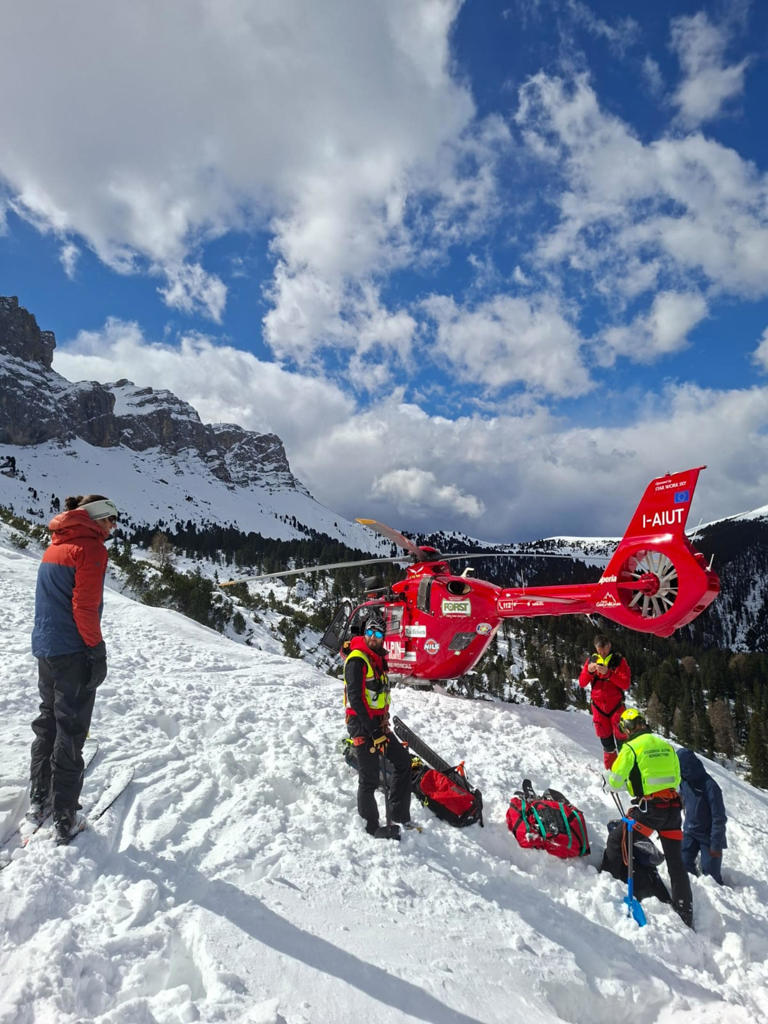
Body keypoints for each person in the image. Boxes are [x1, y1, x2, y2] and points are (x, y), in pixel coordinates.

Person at [29, 494, 118, 843]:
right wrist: (96, 651)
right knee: (71, 728)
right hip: (72, 651)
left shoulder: (56, 545)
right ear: (95, 517)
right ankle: (65, 815)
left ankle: (40, 795)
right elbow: (84, 608)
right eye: (110, 518)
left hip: (47, 648)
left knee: (47, 719)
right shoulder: (91, 550)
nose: (113, 526)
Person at [604, 708, 693, 927]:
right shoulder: (665, 745)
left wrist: (610, 781)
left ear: (626, 728)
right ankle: (685, 912)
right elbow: (676, 777)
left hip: (650, 810)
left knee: (618, 839)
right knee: (676, 863)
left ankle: (608, 881)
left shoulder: (631, 748)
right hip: (672, 808)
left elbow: (615, 781)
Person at [344, 614, 412, 836]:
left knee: (403, 762)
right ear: (365, 634)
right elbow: (356, 698)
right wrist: (373, 731)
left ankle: (400, 814)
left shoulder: (377, 659)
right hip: (362, 724)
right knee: (369, 777)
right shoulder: (357, 659)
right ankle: (370, 826)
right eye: (370, 633)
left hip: (378, 724)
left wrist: (381, 723)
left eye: (378, 634)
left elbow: (378, 695)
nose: (374, 638)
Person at [579, 634, 631, 768]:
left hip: (616, 707)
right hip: (599, 708)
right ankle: (612, 774)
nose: (602, 653)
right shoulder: (591, 660)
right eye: (599, 650)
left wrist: (609, 674)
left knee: (623, 742)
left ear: (609, 646)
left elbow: (625, 684)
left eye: (604, 650)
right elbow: (582, 683)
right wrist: (589, 671)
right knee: (607, 746)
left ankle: (628, 771)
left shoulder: (619, 660)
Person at [677, 748, 727, 885]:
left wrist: (716, 845)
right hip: (690, 832)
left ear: (688, 766)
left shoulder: (710, 786)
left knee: (712, 878)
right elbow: (682, 796)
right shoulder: (684, 780)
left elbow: (719, 818)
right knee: (682, 866)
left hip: (709, 836)